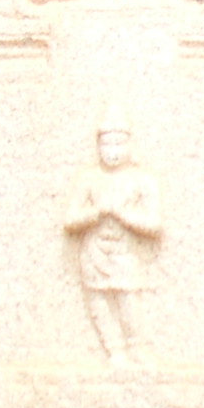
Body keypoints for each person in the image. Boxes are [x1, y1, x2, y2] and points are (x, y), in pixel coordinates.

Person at [64, 111, 162, 362]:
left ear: (130, 145)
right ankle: (114, 349)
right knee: (98, 299)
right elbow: (71, 220)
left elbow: (154, 224)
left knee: (128, 297)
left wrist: (122, 214)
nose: (112, 151)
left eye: (119, 144)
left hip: (125, 251)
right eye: (106, 144)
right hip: (94, 250)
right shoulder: (88, 179)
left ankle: (136, 346)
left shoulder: (141, 180)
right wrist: (97, 212)